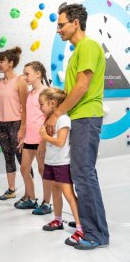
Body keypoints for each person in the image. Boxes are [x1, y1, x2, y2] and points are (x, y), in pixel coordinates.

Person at [45, 3, 109, 249]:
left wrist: (57, 113)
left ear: (75, 23)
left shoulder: (89, 46)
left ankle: (95, 234)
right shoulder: (76, 51)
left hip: (87, 116)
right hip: (79, 117)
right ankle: (92, 227)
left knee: (83, 174)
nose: (58, 30)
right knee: (82, 174)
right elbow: (73, 89)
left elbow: (81, 88)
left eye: (61, 24)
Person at [38, 87, 84, 246]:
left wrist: (44, 137)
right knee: (55, 193)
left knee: (69, 195)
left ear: (52, 103)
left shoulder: (63, 119)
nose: (40, 107)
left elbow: (60, 142)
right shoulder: (49, 119)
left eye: (41, 104)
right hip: (51, 162)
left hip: (62, 163)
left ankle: (80, 227)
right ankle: (57, 220)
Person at [0, 46, 29, 202]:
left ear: (11, 63)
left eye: (2, 61)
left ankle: (29, 193)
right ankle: (11, 190)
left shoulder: (20, 80)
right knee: (8, 157)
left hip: (16, 124)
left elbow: (26, 106)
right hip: (2, 125)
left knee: (22, 159)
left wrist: (22, 128)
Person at [15, 61, 52, 215]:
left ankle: (46, 203)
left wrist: (44, 140)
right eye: (23, 74)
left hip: (41, 139)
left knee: (43, 170)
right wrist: (24, 136)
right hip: (29, 139)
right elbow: (29, 117)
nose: (25, 77)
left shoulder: (46, 92)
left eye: (27, 73)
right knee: (24, 169)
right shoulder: (30, 94)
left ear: (38, 74)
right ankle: (31, 198)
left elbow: (49, 117)